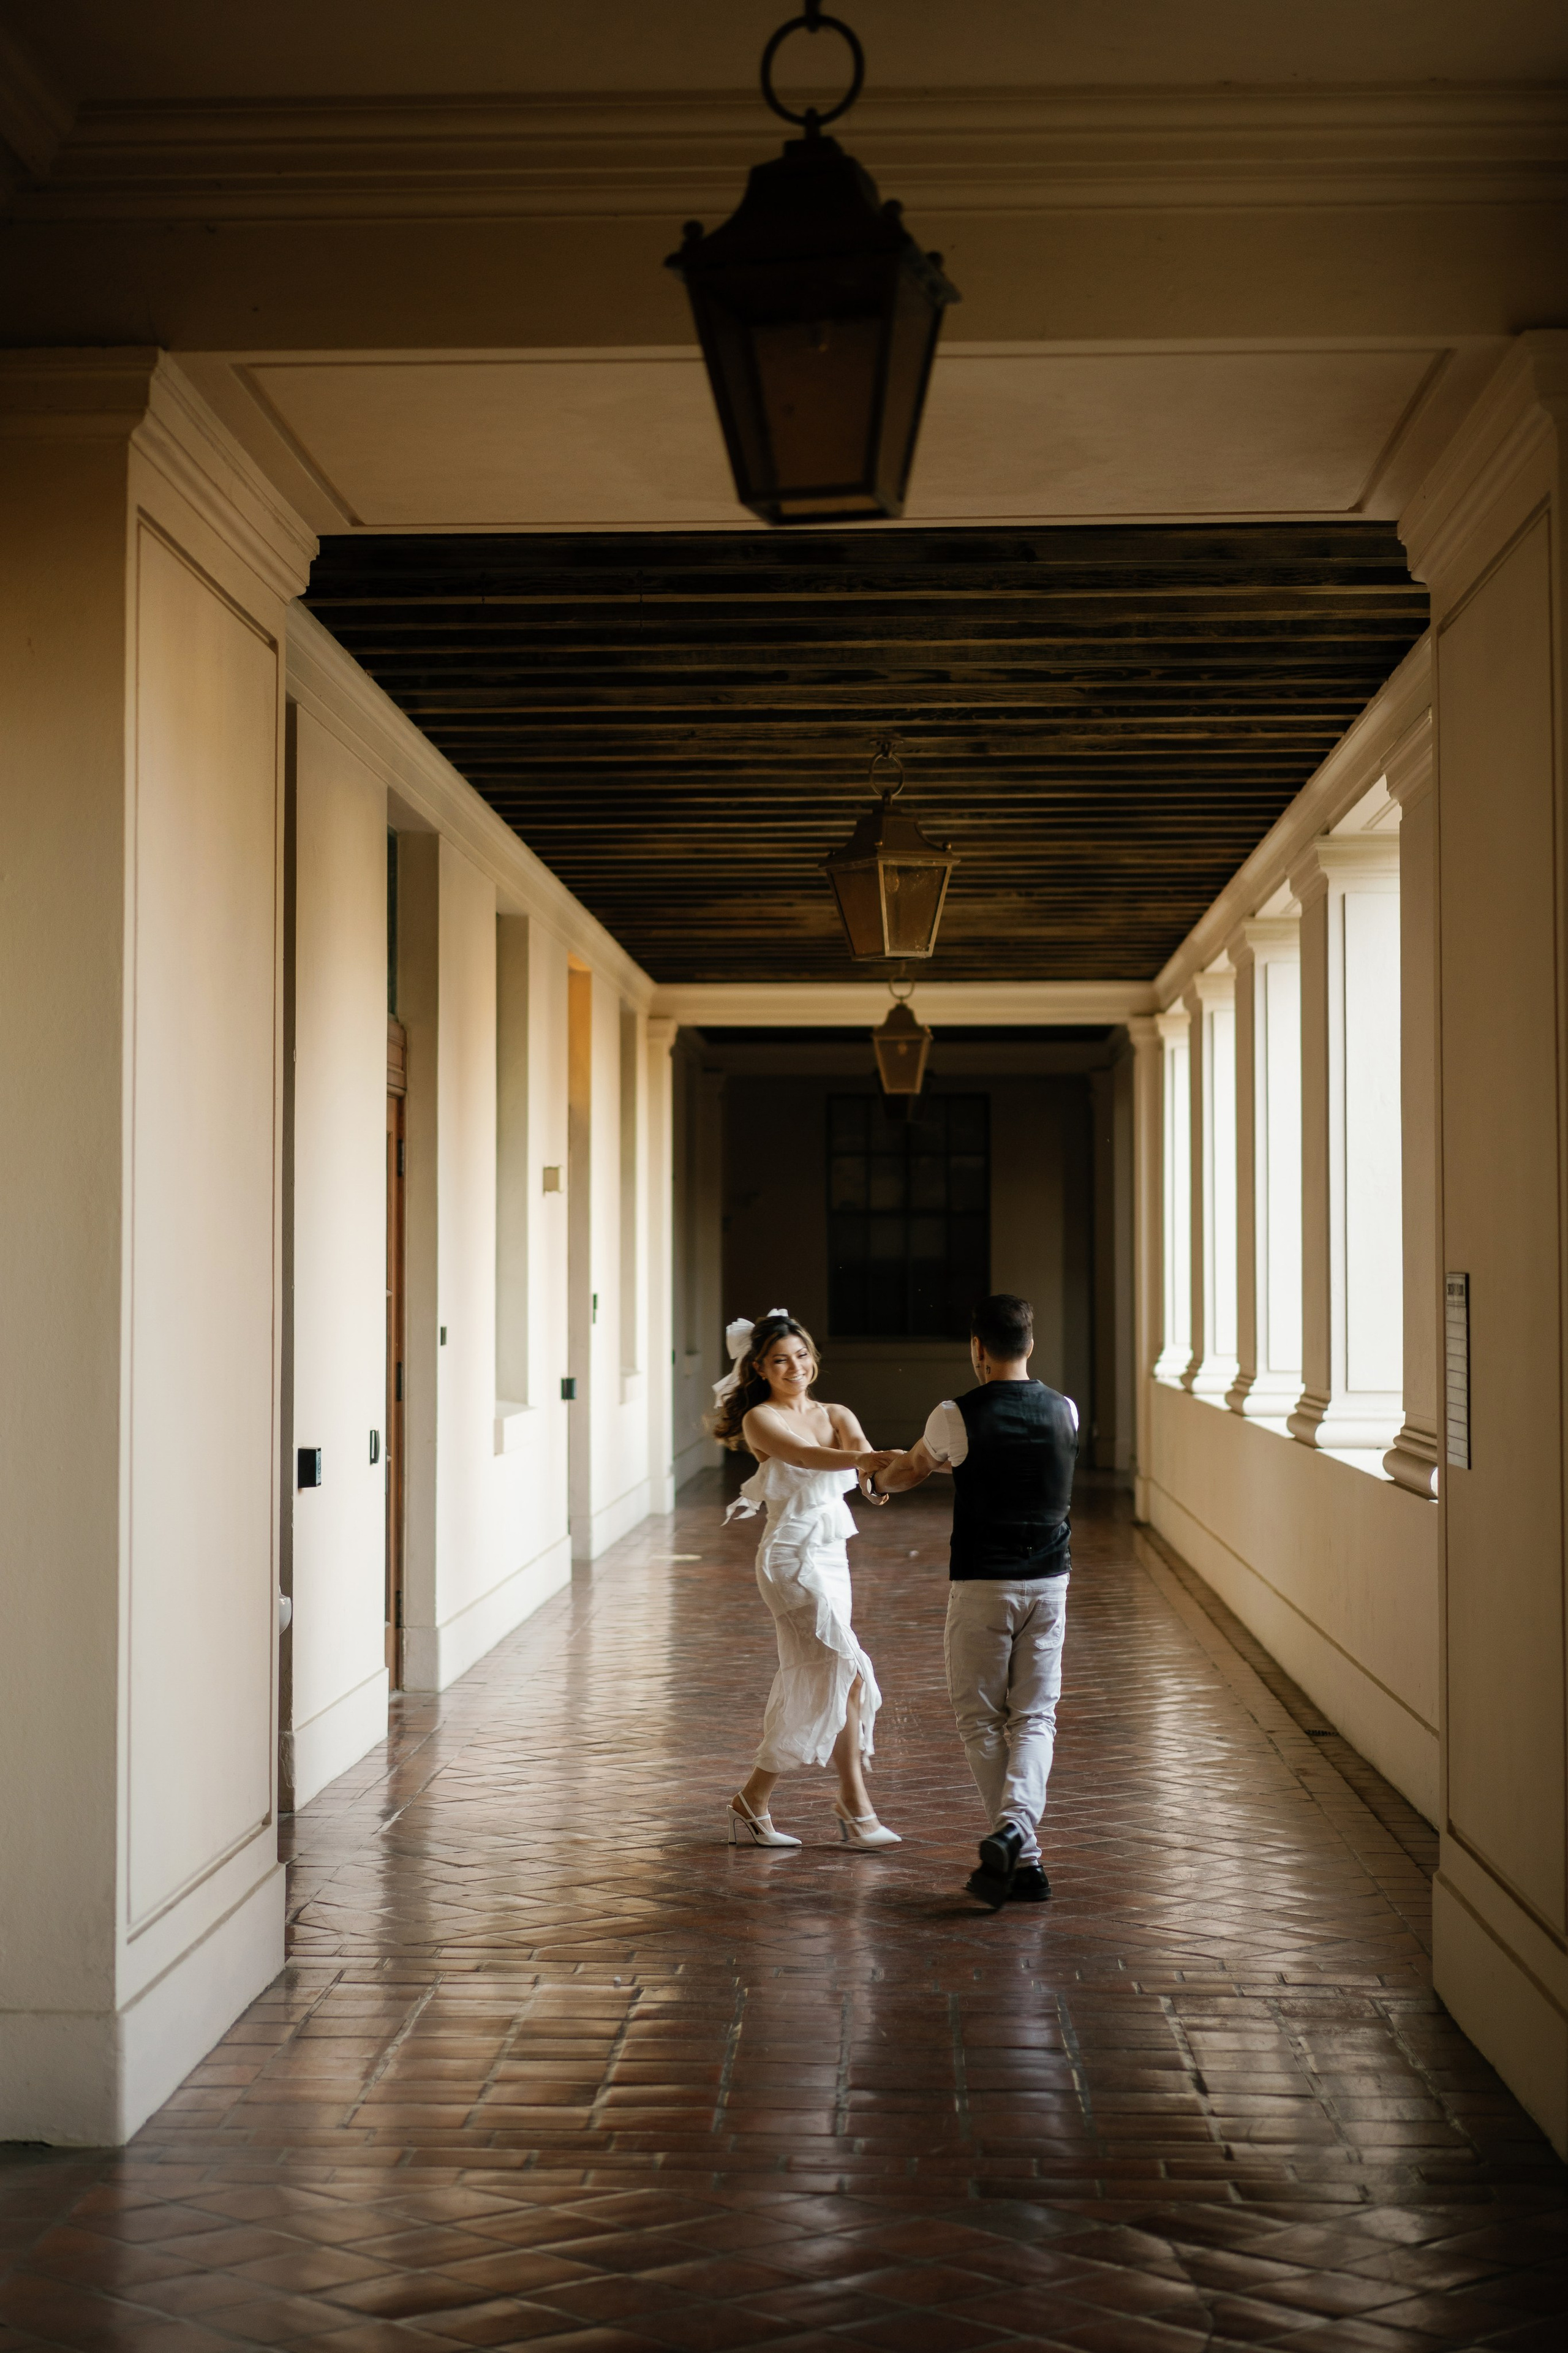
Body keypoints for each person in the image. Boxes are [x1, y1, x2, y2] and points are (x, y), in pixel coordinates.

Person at [867, 1293, 1077, 1909]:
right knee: (1035, 1715)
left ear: (977, 1348)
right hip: (1050, 1583)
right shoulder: (1065, 1409)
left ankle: (1018, 1837)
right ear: (1030, 1345)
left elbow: (910, 1470)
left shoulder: (952, 1414)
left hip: (982, 1585)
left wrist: (874, 1482)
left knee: (981, 1718)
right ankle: (1024, 1853)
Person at [708, 1310, 903, 1853]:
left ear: (813, 1358)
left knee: (838, 1676)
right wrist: (864, 1459)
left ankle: (753, 1804)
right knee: (844, 1668)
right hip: (790, 1556)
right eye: (779, 1360)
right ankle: (854, 1808)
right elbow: (808, 1456)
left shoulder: (837, 1411)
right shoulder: (760, 1418)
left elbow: (862, 1457)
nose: (793, 1366)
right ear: (761, 1368)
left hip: (832, 1555)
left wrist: (878, 1477)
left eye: (800, 1355)